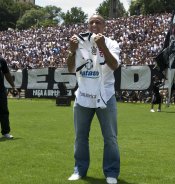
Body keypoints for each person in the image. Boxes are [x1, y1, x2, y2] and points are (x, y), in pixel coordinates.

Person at [66, 14, 120, 184]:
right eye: (92, 22)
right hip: (83, 96)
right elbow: (70, 68)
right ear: (88, 26)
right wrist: (71, 50)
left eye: (98, 22)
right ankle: (79, 170)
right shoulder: (78, 42)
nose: (95, 24)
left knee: (110, 137)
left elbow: (114, 65)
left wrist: (102, 45)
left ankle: (111, 173)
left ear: (104, 25)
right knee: (80, 137)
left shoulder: (111, 43)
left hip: (105, 95)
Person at [0, 56, 17, 139]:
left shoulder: (1, 60)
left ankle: (5, 132)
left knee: (4, 111)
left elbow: (7, 73)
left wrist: (13, 86)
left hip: (0, 90)